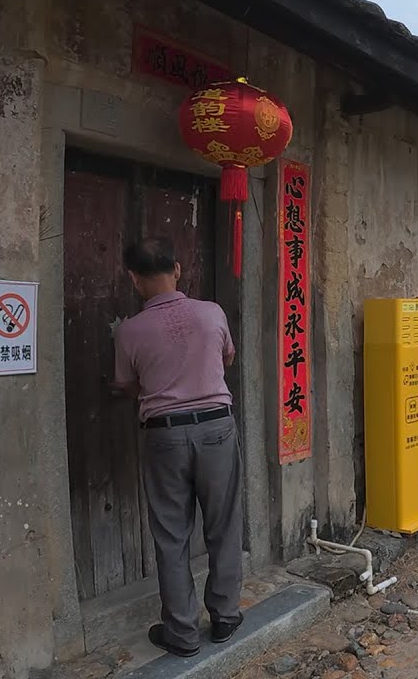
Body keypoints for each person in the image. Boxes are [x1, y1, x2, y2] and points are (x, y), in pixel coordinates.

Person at [112, 237, 244, 657]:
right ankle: (224, 617)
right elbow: (226, 359)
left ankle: (183, 635)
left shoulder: (130, 330)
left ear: (134, 279)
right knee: (223, 524)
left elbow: (126, 385)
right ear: (178, 269)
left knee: (171, 536)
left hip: (164, 434)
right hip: (217, 429)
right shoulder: (212, 313)